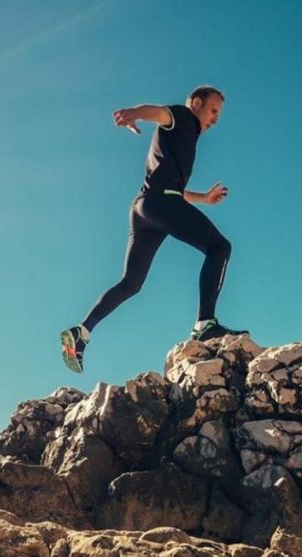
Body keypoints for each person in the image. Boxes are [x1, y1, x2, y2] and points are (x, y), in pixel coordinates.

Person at [60, 85, 247, 374]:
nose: (215, 119)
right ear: (197, 103)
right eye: (213, 111)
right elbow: (159, 112)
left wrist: (203, 199)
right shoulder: (184, 116)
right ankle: (205, 324)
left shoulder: (184, 138)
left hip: (145, 207)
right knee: (219, 247)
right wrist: (134, 113)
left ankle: (81, 333)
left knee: (131, 282)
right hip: (160, 203)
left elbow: (176, 190)